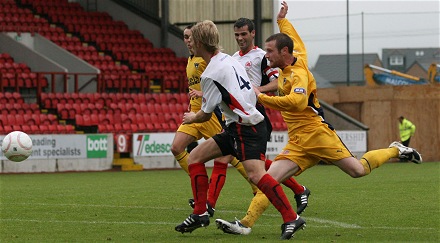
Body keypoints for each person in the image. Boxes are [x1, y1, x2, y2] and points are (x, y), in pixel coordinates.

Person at [253, 1, 422, 239]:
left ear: (283, 53)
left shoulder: (299, 74)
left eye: (269, 51)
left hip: (319, 134)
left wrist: (263, 97)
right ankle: (246, 223)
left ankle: (395, 150)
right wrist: (282, 20)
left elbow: (298, 103)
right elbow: (292, 37)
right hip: (299, 141)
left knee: (357, 170)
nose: (266, 55)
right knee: (268, 180)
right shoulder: (294, 54)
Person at [175, 20, 300, 240]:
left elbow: (205, 114)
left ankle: (292, 217)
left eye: (192, 39)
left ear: (201, 42)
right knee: (195, 158)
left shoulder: (210, 73)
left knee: (257, 175)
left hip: (247, 127)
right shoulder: (227, 60)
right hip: (238, 126)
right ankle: (200, 212)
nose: (190, 43)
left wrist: (192, 117)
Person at [215, 17, 310, 236]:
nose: (240, 38)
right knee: (250, 165)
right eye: (236, 35)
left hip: (255, 117)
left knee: (256, 171)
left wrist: (257, 90)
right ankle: (297, 191)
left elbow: (279, 82)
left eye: (243, 34)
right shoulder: (232, 59)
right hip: (237, 118)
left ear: (252, 34)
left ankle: (211, 209)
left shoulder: (262, 57)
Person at [171, 24, 259, 217]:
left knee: (234, 155)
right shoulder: (191, 59)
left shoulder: (208, 60)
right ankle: (201, 187)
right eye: (185, 37)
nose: (187, 40)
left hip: (207, 114)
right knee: (177, 148)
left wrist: (202, 95)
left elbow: (217, 84)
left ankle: (261, 186)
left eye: (190, 37)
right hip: (194, 113)